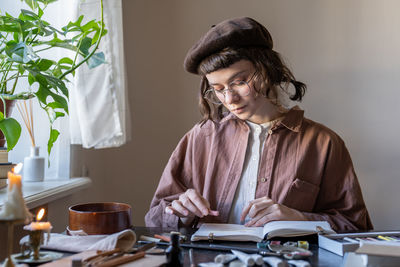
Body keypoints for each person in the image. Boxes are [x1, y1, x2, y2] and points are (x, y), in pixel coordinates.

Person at [145, 17, 373, 231]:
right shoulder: (201, 137)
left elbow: (356, 225)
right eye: (218, 89)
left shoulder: (323, 143)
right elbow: (153, 218)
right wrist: (181, 214)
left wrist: (300, 218)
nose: (230, 99)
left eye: (240, 82)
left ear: (267, 70)